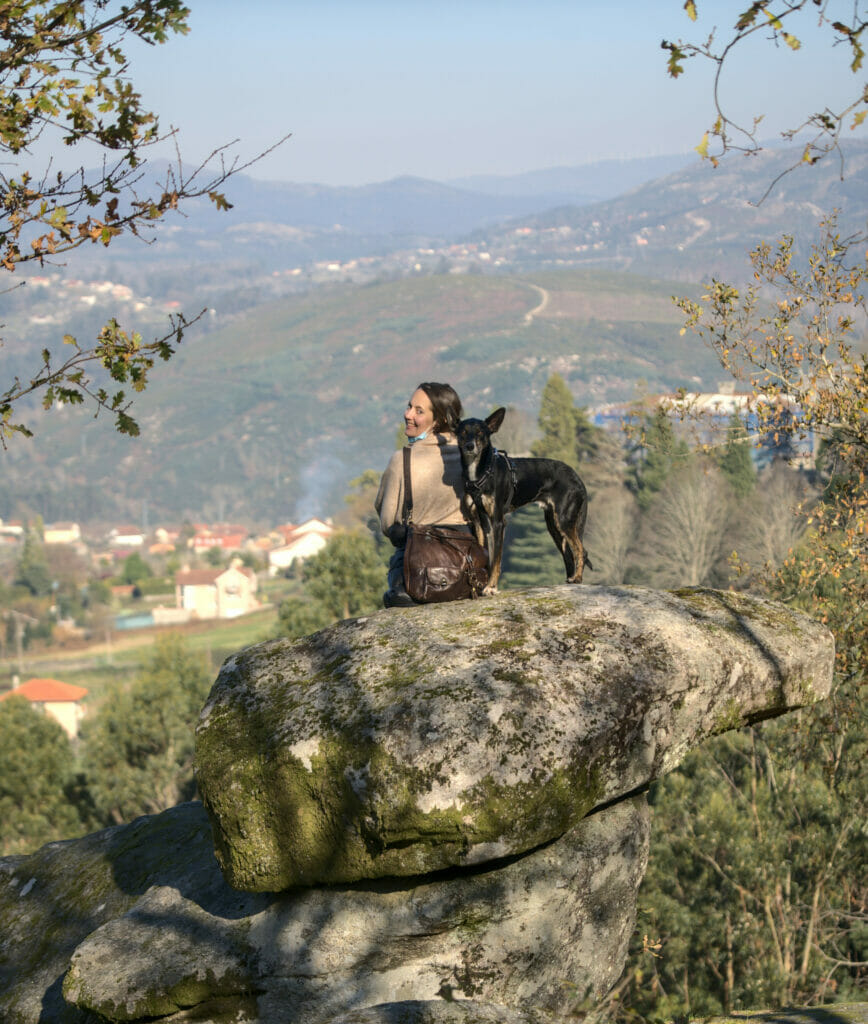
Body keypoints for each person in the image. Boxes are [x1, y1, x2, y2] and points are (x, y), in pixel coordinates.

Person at [375, 382, 472, 607]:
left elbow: (388, 522)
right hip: (467, 572)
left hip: (416, 579)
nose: (407, 414)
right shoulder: (474, 457)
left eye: (419, 411)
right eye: (410, 407)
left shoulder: (402, 460)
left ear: (439, 421)